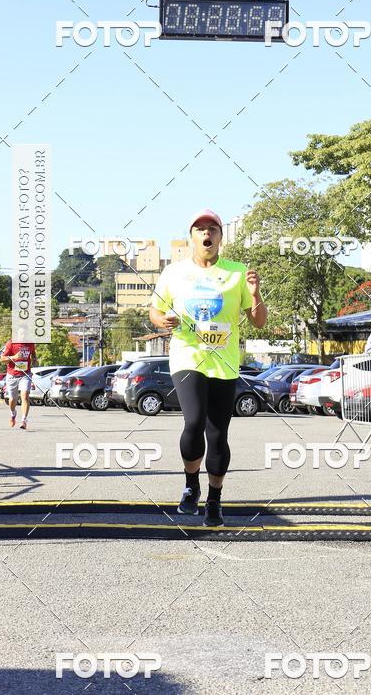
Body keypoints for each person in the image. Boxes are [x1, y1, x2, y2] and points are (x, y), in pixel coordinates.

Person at [149, 209, 267, 527]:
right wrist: (163, 320)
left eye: (212, 229)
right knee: (194, 420)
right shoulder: (174, 273)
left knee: (218, 435)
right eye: (200, 229)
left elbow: (258, 320)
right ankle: (191, 486)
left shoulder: (237, 273)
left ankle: (214, 500)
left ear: (220, 237)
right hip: (188, 356)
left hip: (225, 363)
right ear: (192, 237)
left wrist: (255, 296)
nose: (206, 234)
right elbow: (155, 312)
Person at [0, 340, 36, 429]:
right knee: (12, 399)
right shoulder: (10, 343)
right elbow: (2, 359)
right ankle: (13, 413)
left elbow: (33, 353)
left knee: (25, 396)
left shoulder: (30, 343)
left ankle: (24, 420)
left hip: (25, 374)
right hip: (12, 375)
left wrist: (34, 359)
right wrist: (15, 357)